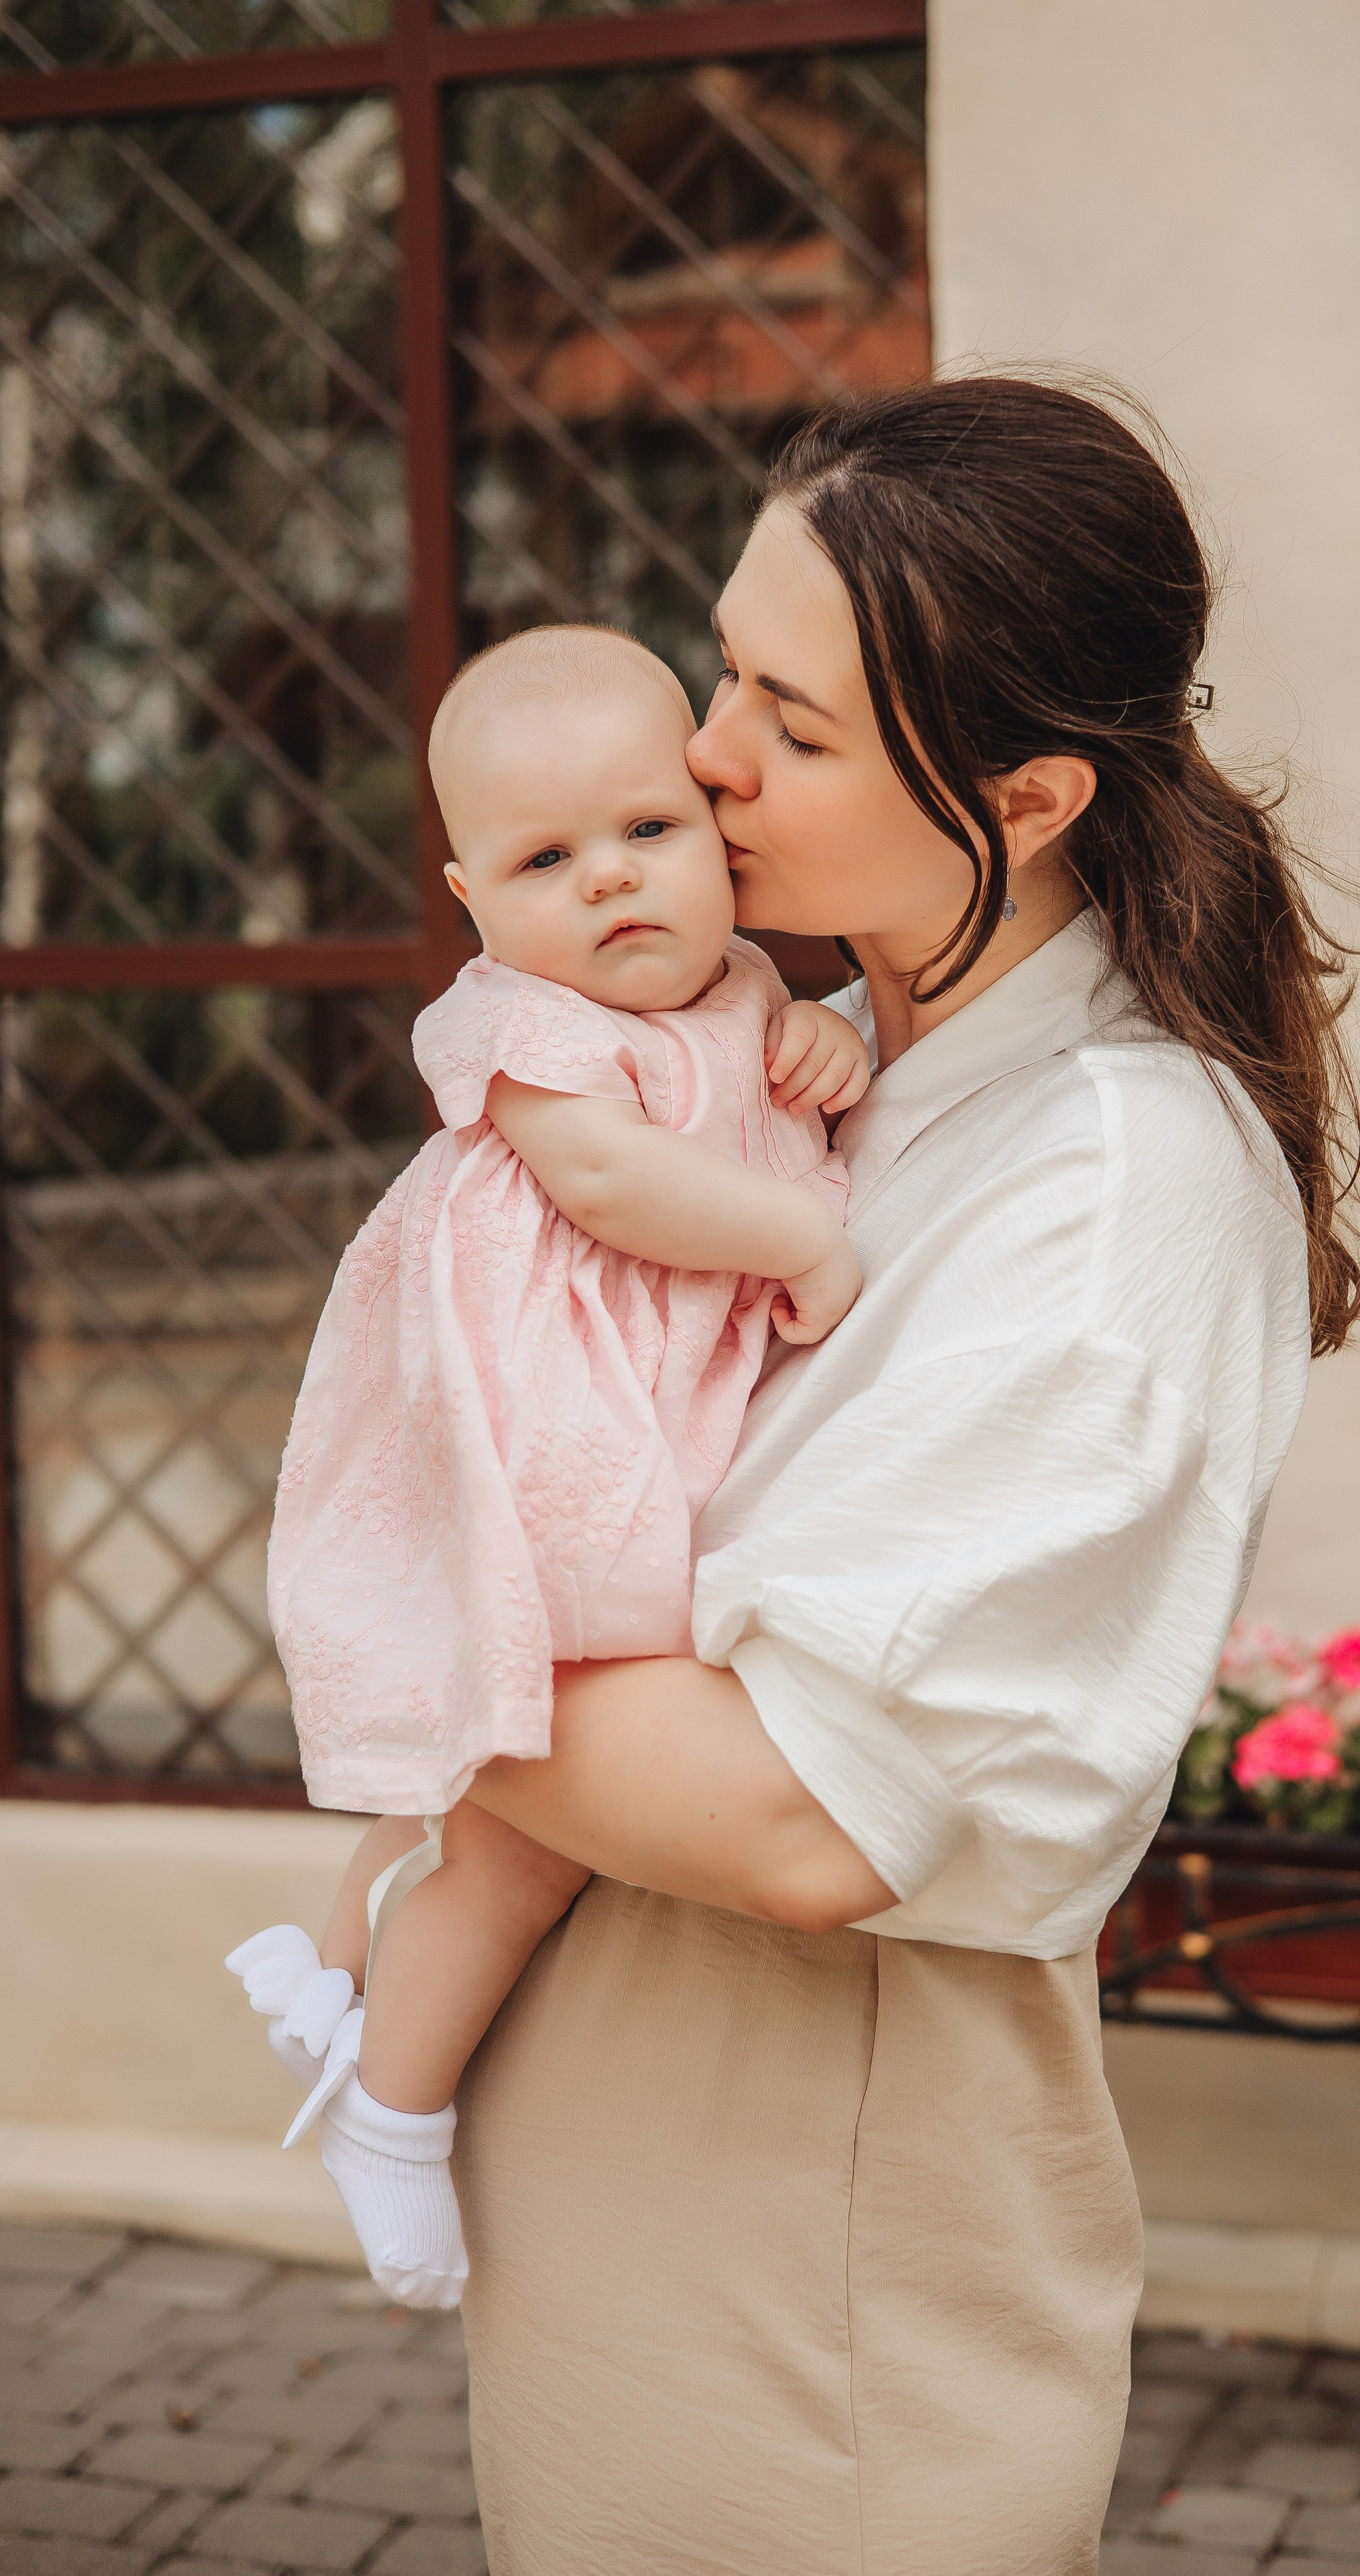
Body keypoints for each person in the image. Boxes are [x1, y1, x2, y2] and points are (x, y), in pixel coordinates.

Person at [437, 374, 1360, 2576]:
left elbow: (801, 1807)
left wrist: (391, 1623)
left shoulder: (1117, 1180)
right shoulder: (822, 1061)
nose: (706, 757)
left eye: (797, 720)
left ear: (1029, 793)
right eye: (724, 667)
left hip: (805, 2294)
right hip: (651, 2217)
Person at [225, 625, 870, 2309]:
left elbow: (757, 1081)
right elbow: (615, 1186)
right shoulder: (516, 1027)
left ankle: (345, 1962)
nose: (607, 885)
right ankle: (394, 2105)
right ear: (468, 898)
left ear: (711, 830)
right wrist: (797, 1226)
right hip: (552, 1438)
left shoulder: (748, 991)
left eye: (646, 833)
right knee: (528, 1809)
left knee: (487, 1776)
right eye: (543, 860)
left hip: (645, 1411)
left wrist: (828, 1051)